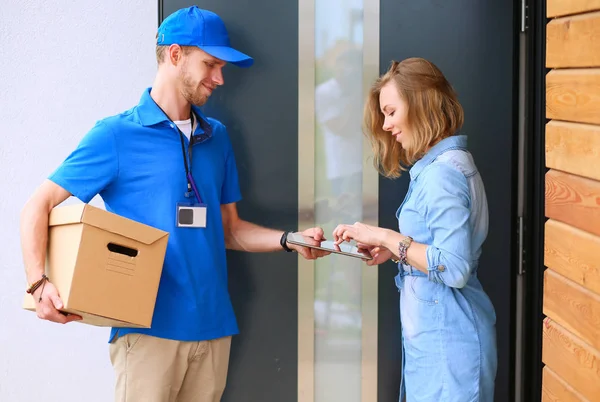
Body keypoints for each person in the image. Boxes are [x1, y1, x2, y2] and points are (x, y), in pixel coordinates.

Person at [20, 6, 327, 402]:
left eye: (222, 68)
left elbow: (230, 230)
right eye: (211, 64)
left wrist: (289, 240)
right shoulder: (116, 135)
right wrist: (37, 284)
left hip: (214, 329)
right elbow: (37, 205)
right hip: (147, 332)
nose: (219, 79)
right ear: (176, 54)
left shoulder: (216, 137)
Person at [332, 57, 497, 401]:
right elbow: (437, 249)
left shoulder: (442, 174)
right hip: (438, 340)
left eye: (391, 112)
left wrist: (384, 236)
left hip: (449, 345)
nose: (387, 125)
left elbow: (453, 267)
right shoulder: (441, 166)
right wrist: (396, 252)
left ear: (420, 103)